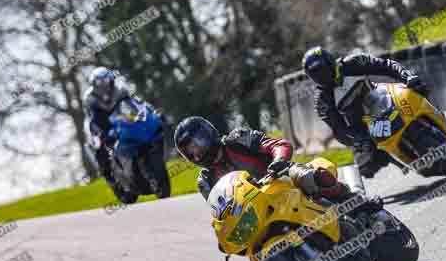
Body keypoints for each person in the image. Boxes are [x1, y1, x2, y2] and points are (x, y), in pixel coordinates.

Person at [173, 116, 382, 211]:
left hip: (280, 177)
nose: (197, 152)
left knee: (310, 176)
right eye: (190, 151)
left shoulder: (237, 139)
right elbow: (219, 210)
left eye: (197, 144)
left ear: (208, 133)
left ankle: (359, 203)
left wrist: (279, 161)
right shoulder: (206, 180)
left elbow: (276, 144)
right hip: (257, 207)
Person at [301, 46, 430, 179]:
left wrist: (408, 77)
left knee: (416, 88)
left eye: (321, 69)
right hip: (364, 128)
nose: (320, 75)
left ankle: (435, 113)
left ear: (330, 62)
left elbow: (386, 65)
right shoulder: (322, 101)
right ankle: (387, 156)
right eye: (314, 73)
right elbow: (338, 129)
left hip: (385, 100)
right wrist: (357, 139)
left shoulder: (354, 63)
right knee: (366, 167)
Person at [84, 66, 161, 202]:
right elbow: (94, 119)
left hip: (121, 120)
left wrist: (143, 112)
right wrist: (101, 133)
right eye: (100, 83)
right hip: (100, 126)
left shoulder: (120, 90)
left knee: (144, 124)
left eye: (106, 81)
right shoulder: (90, 98)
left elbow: (134, 103)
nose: (104, 86)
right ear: (94, 84)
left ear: (111, 80)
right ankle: (109, 175)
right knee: (98, 144)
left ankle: (146, 160)